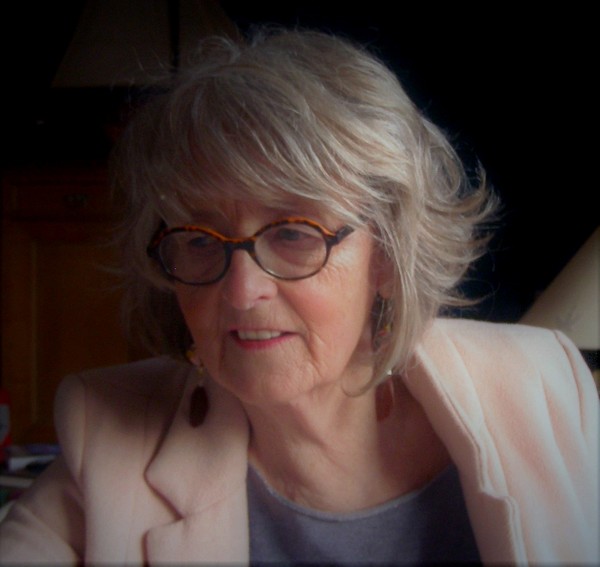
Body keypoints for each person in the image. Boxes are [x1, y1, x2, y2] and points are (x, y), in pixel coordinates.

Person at [0, 28, 597, 565]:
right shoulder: (110, 439)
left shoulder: (542, 389)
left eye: (293, 234)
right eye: (200, 239)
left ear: (387, 256)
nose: (242, 291)